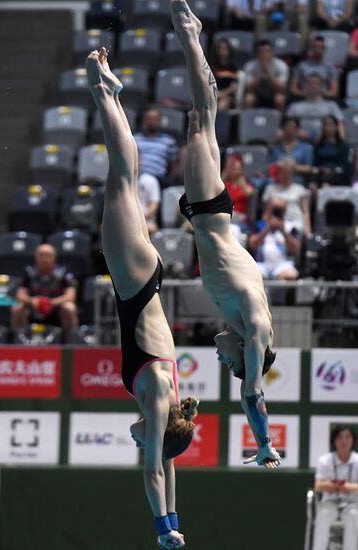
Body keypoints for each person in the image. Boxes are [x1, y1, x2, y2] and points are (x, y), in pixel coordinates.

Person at [85, 46, 199, 549]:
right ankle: (101, 88)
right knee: (122, 176)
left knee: (123, 179)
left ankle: (109, 93)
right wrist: (159, 528)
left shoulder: (169, 400)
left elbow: (167, 464)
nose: (141, 445)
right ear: (157, 429)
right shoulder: (155, 396)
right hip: (132, 280)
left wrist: (175, 521)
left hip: (144, 277)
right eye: (148, 442)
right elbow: (154, 470)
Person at [171, 0, 281, 468]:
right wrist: (263, 444)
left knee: (205, 115)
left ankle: (192, 35)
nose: (225, 363)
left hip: (209, 215)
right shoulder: (255, 327)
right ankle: (190, 32)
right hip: (208, 212)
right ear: (247, 354)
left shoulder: (244, 319)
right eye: (232, 364)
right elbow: (253, 395)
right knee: (201, 114)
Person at [11, 244, 78, 341]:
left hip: (56, 309)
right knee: (17, 307)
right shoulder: (29, 271)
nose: (45, 259)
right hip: (33, 309)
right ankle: (20, 343)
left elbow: (71, 296)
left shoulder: (64, 271)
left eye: (48, 255)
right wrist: (32, 301)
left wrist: (51, 302)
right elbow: (20, 294)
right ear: (36, 257)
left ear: (54, 257)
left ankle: (70, 343)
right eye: (41, 255)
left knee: (69, 307)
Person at [313, 425, 358, 550]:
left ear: (353, 440)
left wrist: (347, 487)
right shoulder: (325, 461)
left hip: (352, 504)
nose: (344, 441)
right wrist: (331, 485)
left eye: (348, 437)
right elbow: (318, 486)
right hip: (330, 503)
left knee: (354, 517)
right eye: (340, 438)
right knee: (323, 516)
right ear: (334, 441)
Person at [248, 197, 301, 280]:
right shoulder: (259, 225)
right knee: (253, 275)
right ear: (268, 209)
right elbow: (253, 245)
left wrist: (283, 231)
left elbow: (295, 248)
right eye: (275, 209)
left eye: (280, 209)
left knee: (290, 275)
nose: (278, 212)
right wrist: (267, 229)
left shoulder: (290, 227)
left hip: (282, 265)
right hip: (262, 264)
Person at [286, 73, 345, 141]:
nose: (313, 86)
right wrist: (296, 132)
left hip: (324, 142)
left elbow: (340, 124)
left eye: (316, 83)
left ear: (322, 87)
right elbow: (287, 125)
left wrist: (341, 142)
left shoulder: (332, 105)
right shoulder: (294, 106)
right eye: (310, 83)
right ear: (305, 86)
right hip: (299, 142)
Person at [263, 157, 311, 235]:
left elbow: (305, 212)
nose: (285, 175)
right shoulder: (270, 189)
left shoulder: (300, 189)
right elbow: (266, 214)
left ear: (293, 173)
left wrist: (307, 232)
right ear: (278, 172)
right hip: (274, 224)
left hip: (295, 223)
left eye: (288, 172)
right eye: (283, 172)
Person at [134, 107, 180, 187]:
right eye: (148, 119)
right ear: (143, 121)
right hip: (136, 177)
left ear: (161, 121)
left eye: (155, 119)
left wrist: (169, 182)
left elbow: (175, 166)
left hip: (159, 179)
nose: (151, 122)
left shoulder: (169, 141)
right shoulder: (135, 139)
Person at [243, 38, 289, 112]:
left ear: (272, 53)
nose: (264, 55)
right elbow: (248, 88)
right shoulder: (249, 66)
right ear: (257, 54)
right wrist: (261, 72)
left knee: (280, 99)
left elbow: (281, 88)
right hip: (257, 93)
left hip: (273, 93)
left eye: (267, 52)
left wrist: (268, 70)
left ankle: (280, 122)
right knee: (248, 98)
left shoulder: (281, 65)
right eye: (261, 52)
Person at [290, 35, 340, 100]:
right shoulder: (301, 66)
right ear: (311, 49)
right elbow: (293, 88)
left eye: (321, 47)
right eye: (315, 47)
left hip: (323, 99)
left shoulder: (330, 68)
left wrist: (321, 95)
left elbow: (334, 91)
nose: (318, 50)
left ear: (325, 49)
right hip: (304, 98)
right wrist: (302, 94)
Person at [270, 116, 313, 185]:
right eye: (288, 127)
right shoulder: (276, 148)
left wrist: (291, 167)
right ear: (283, 129)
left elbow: (308, 168)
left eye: (293, 127)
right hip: (279, 178)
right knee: (269, 182)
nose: (290, 130)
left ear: (297, 129)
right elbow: (272, 166)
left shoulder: (305, 148)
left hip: (296, 178)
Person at [311, 115, 351, 187]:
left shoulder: (343, 146)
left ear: (336, 127)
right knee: (314, 183)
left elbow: (344, 165)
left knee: (326, 181)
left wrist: (331, 170)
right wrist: (321, 169)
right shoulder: (318, 146)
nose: (328, 128)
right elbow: (314, 164)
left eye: (331, 125)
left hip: (338, 175)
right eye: (326, 125)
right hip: (320, 174)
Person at [222, 153, 254, 222]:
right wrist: (225, 174)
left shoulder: (245, 185)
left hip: (239, 217)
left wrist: (242, 183)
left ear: (240, 170)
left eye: (234, 168)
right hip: (224, 214)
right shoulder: (224, 183)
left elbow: (249, 193)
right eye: (229, 168)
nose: (231, 171)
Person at [211, 38, 240, 111]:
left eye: (226, 48)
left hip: (226, 97)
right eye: (221, 48)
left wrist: (220, 94)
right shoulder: (212, 66)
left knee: (221, 105)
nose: (224, 50)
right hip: (212, 96)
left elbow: (233, 87)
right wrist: (216, 95)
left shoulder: (232, 67)